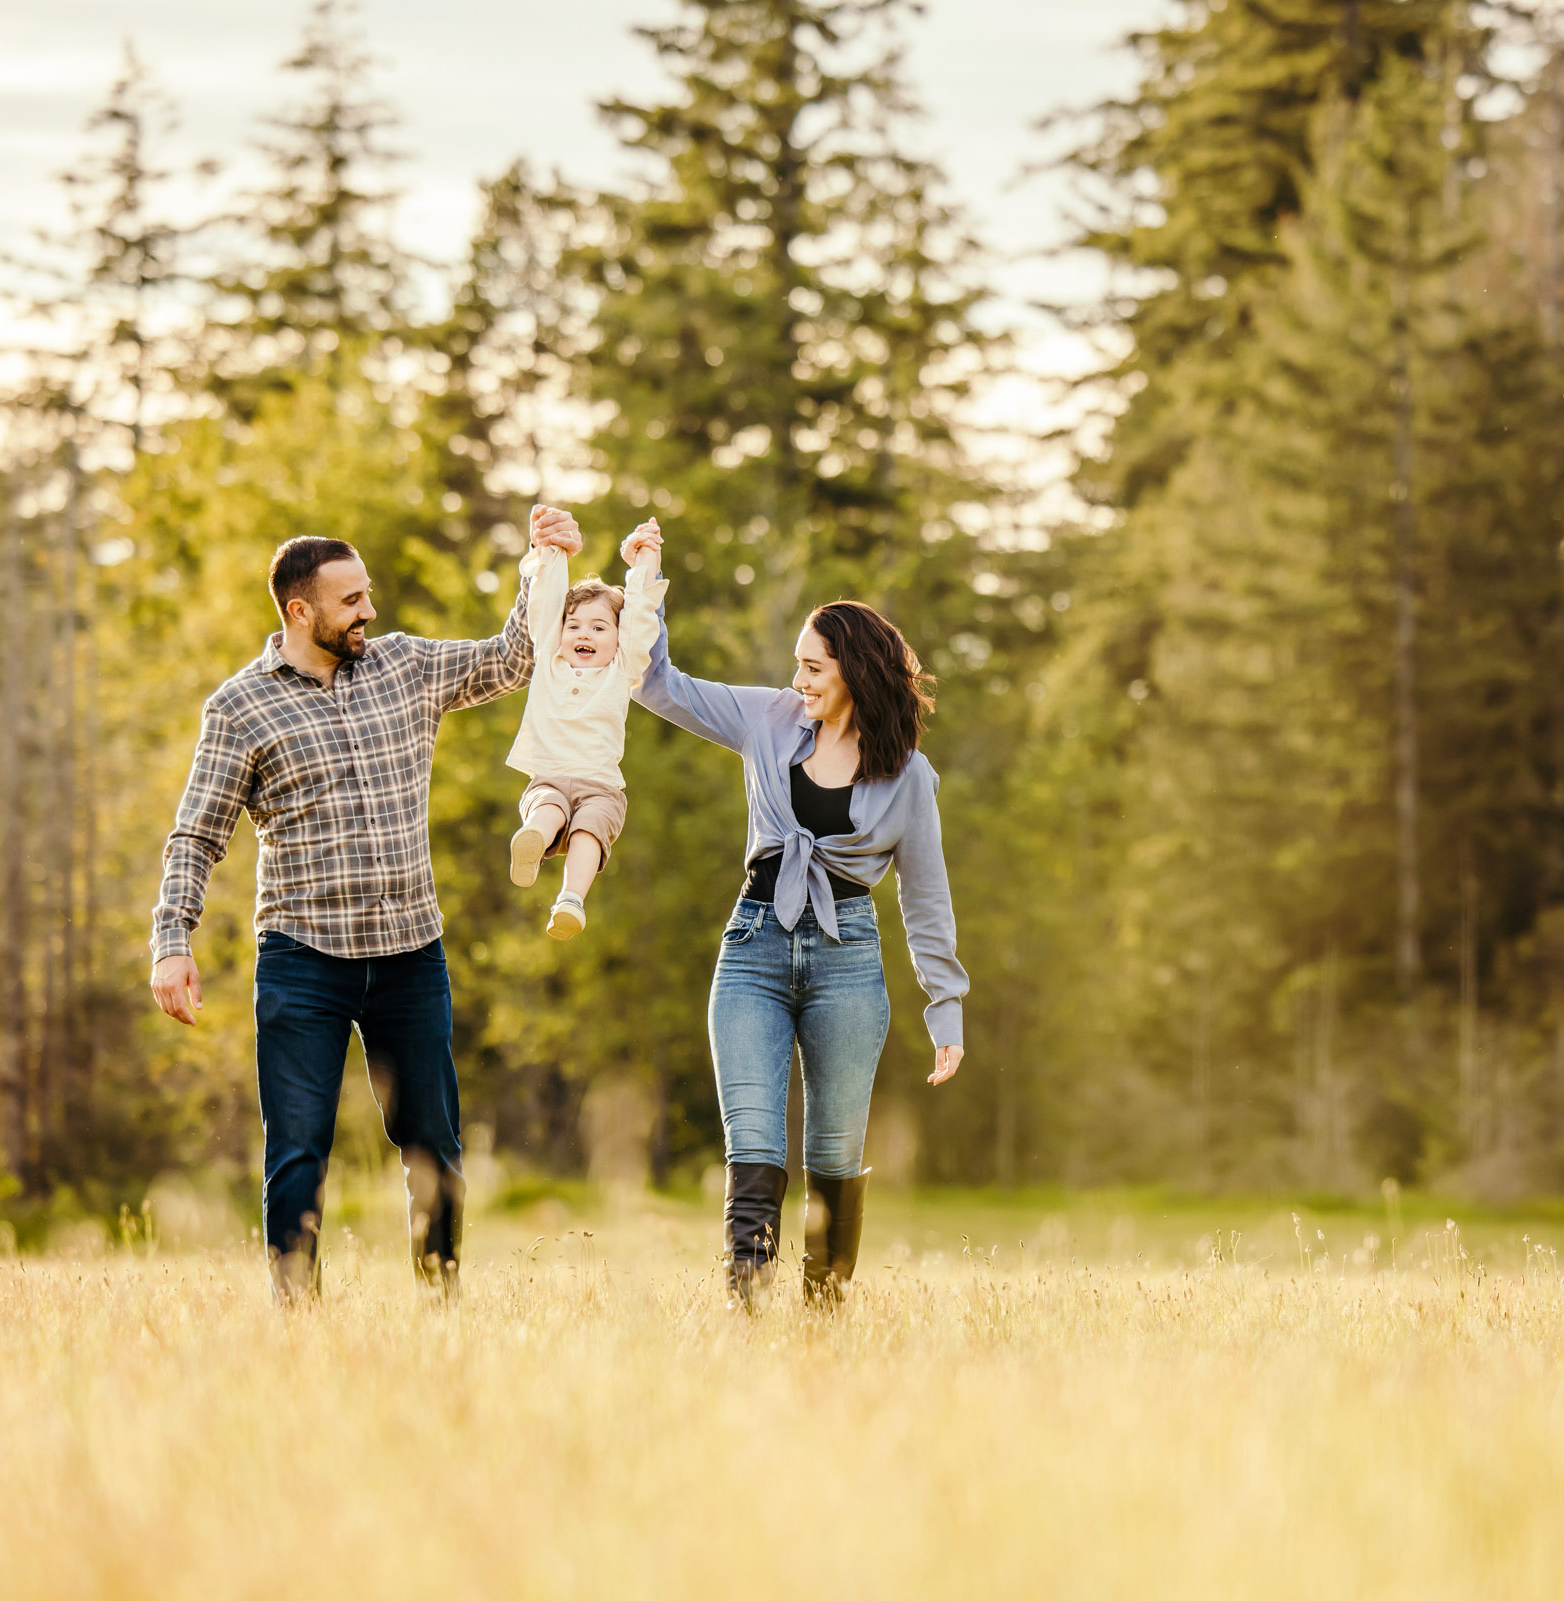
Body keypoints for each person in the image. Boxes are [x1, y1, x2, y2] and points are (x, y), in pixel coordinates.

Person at [148, 506, 585, 1302]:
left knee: (434, 1145)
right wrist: (171, 939)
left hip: (410, 953)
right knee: (299, 1150)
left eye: (368, 594)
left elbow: (511, 658)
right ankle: (297, 1314)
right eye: (351, 600)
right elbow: (194, 836)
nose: (369, 612)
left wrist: (540, 563)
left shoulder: (405, 666)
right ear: (298, 610)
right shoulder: (239, 708)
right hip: (301, 959)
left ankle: (442, 1300)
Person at [626, 521, 967, 1309]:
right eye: (798, 666)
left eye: (812, 666)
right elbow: (658, 685)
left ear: (854, 672)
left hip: (848, 961)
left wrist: (944, 1004)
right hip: (752, 946)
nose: (799, 678)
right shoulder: (768, 718)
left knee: (834, 1153)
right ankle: (745, 1314)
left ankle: (823, 1321)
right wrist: (646, 580)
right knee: (753, 1143)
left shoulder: (910, 777)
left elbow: (926, 897)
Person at [505, 517, 668, 940]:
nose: (584, 634)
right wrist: (552, 550)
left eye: (599, 628)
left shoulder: (622, 668)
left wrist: (645, 559)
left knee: (589, 827)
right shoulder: (549, 660)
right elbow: (546, 601)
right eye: (574, 626)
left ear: (617, 636)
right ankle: (533, 840)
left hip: (600, 785)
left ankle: (569, 901)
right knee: (551, 808)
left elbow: (640, 616)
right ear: (559, 633)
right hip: (551, 775)